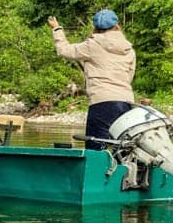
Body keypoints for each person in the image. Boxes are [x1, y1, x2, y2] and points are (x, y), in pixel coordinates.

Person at [49, 9, 136, 150]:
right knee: (123, 148)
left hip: (102, 102)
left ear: (95, 27)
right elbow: (129, 76)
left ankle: (96, 172)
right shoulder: (128, 48)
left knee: (95, 148)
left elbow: (64, 50)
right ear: (116, 25)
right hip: (126, 102)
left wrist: (57, 29)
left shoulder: (92, 45)